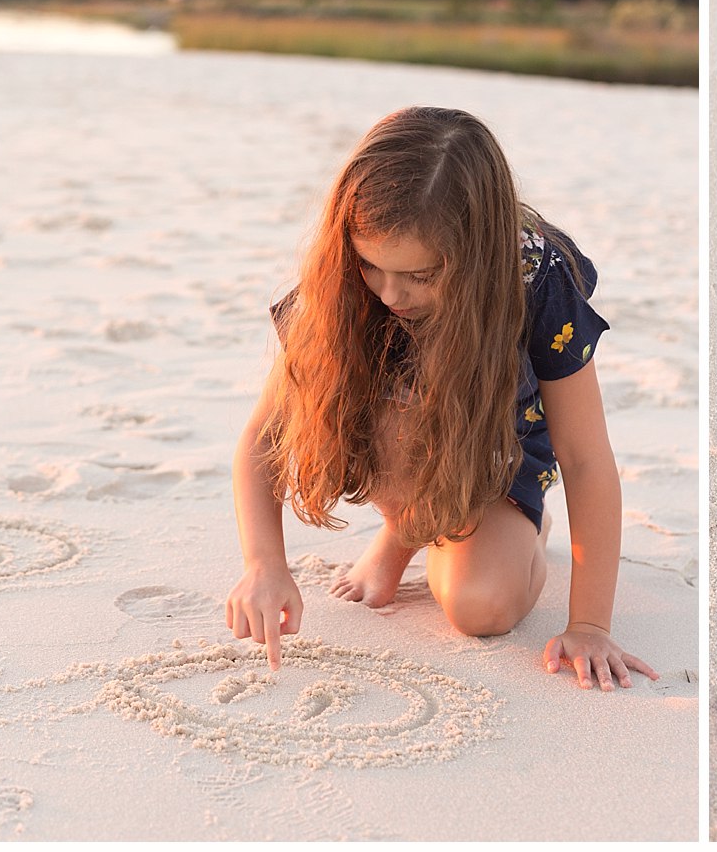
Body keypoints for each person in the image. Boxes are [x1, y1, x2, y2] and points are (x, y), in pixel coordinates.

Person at [225, 106, 657, 692]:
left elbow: (585, 457)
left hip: (498, 453)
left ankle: (522, 532)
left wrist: (588, 623)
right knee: (364, 397)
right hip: (392, 438)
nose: (390, 293)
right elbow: (264, 435)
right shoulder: (346, 282)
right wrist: (264, 566)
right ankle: (406, 528)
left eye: (422, 276)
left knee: (481, 610)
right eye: (371, 265)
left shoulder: (537, 277)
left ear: (477, 253)